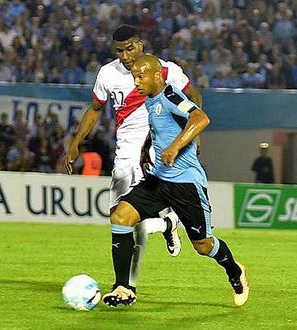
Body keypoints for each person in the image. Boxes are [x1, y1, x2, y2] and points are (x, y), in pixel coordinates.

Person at [101, 54, 249, 307]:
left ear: (157, 75)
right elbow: (159, 127)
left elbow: (200, 118)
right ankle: (123, 287)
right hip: (158, 179)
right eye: (134, 76)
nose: (136, 81)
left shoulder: (171, 96)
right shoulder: (149, 99)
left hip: (186, 184)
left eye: (140, 76)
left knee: (203, 246)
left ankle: (234, 271)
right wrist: (149, 146)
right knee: (120, 217)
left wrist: (174, 147)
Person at [65, 25, 204, 294]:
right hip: (124, 152)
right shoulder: (107, 74)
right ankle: (166, 223)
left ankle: (127, 286)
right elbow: (95, 110)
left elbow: (194, 95)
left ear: (141, 44)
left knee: (129, 218)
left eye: (130, 48)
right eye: (119, 51)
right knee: (117, 218)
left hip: (151, 152)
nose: (126, 56)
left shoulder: (164, 70)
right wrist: (74, 143)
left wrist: (192, 137)